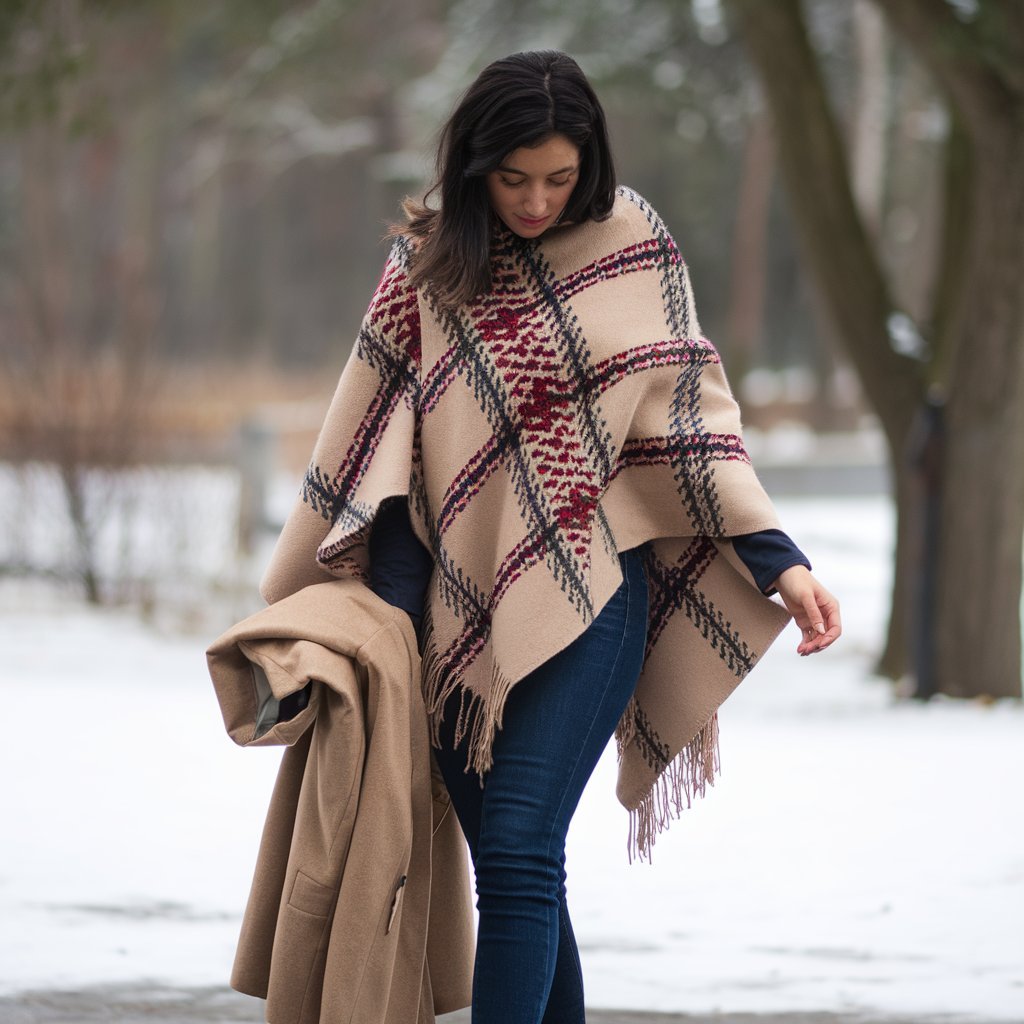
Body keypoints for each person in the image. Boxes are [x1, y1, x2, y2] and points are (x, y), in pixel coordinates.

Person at [262, 49, 841, 1024]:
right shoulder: (428, 262)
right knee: (511, 862)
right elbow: (379, 452)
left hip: (594, 590)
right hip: (446, 616)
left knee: (524, 846)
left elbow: (689, 419)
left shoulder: (632, 242)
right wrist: (385, 626)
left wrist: (778, 561)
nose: (535, 200)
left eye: (559, 177)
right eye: (513, 178)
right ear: (473, 165)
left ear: (592, 162)